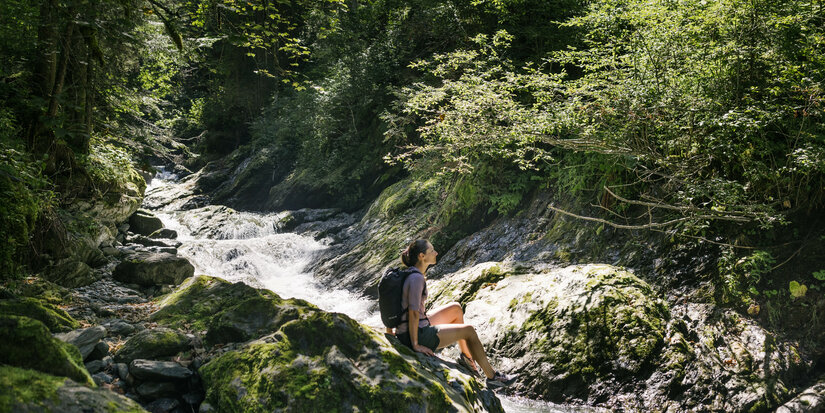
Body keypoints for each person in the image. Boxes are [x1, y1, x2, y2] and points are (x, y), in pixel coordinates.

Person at [392, 239, 515, 387]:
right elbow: (412, 312)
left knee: (456, 308)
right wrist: (416, 344)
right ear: (421, 256)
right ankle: (492, 377)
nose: (436, 252)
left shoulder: (411, 273)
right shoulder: (416, 278)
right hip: (417, 333)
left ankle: (467, 360)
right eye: (432, 251)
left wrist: (391, 332)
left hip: (415, 326)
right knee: (469, 331)